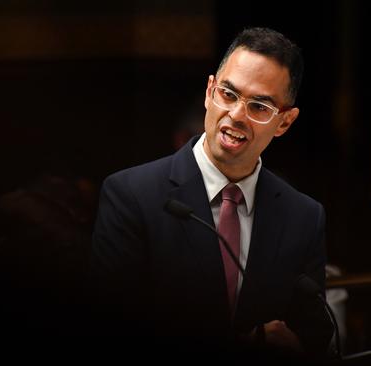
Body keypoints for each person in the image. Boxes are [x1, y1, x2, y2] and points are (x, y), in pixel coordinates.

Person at [90, 27, 333, 361]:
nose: (235, 115)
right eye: (228, 94)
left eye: (259, 106)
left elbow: (315, 333)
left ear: (285, 123)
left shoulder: (304, 216)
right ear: (209, 92)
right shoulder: (131, 195)